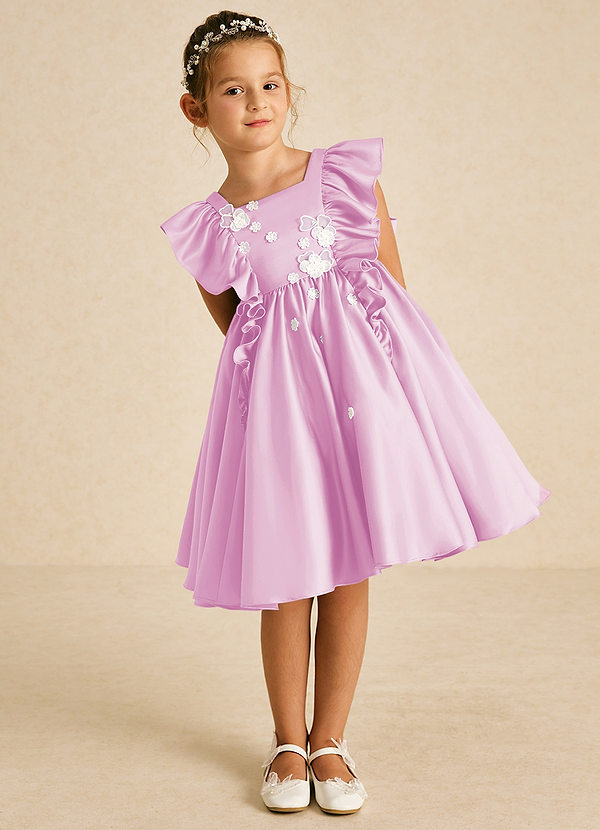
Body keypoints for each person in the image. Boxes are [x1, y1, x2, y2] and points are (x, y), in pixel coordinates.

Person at [159, 11, 551, 815]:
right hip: (280, 421)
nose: (256, 102)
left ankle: (330, 741)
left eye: (270, 84)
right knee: (286, 579)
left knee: (347, 568)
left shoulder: (340, 179)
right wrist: (279, 404)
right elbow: (240, 332)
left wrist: (392, 404)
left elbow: (392, 298)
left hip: (359, 402)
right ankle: (287, 743)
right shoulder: (211, 227)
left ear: (289, 91)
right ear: (197, 109)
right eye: (233, 90)